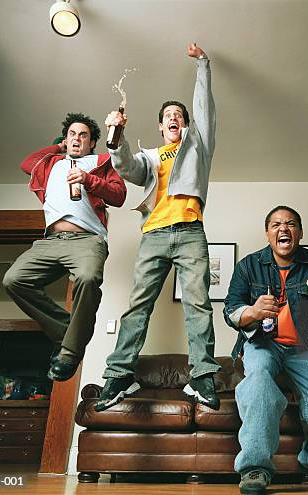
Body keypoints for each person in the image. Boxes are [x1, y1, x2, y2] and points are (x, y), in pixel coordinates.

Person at [95, 43, 221, 412]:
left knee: (198, 304)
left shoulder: (198, 146)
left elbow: (203, 109)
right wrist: (114, 137)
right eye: (168, 114)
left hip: (190, 232)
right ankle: (119, 376)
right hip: (153, 235)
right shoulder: (150, 156)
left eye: (179, 114)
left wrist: (204, 65)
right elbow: (127, 170)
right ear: (159, 124)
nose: (174, 118)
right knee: (138, 306)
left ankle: (202, 376)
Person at [223, 206, 308, 494]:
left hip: (304, 348)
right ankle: (255, 468)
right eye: (277, 224)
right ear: (268, 234)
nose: (284, 229)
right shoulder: (248, 265)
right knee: (257, 385)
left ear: (300, 232)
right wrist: (252, 312)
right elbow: (230, 311)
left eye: (291, 223)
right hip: (261, 344)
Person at [3, 113, 127, 381]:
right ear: (65, 138)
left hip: (86, 240)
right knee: (14, 280)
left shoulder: (101, 162)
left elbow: (119, 195)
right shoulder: (52, 164)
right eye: (72, 134)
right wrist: (57, 147)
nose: (76, 139)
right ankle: (68, 330)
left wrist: (88, 179)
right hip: (50, 241)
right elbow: (26, 163)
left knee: (87, 277)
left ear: (92, 142)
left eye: (83, 135)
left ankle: (70, 352)